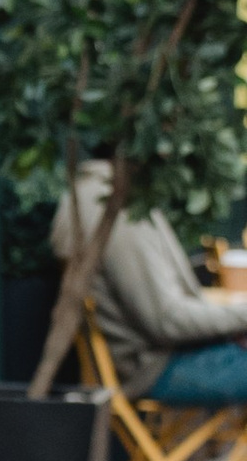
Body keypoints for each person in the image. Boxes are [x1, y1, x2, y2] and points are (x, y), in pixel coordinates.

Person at [57, 162, 247, 408]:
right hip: (155, 367)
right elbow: (168, 321)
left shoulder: (88, 196)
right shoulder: (120, 211)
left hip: (152, 358)